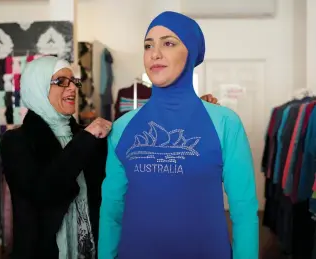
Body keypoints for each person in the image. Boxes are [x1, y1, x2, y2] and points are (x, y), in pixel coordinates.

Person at [0, 55, 218, 258]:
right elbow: (42, 192)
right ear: (36, 86)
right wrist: (85, 139)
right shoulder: (16, 141)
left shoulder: (86, 137)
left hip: (91, 249)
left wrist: (189, 113)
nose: (73, 88)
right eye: (61, 81)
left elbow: (143, 148)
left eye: (74, 82)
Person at [98, 11, 258, 259]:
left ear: (191, 51)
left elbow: (244, 210)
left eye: (168, 43)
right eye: (148, 45)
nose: (155, 53)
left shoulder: (225, 123)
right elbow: (111, 211)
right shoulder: (122, 127)